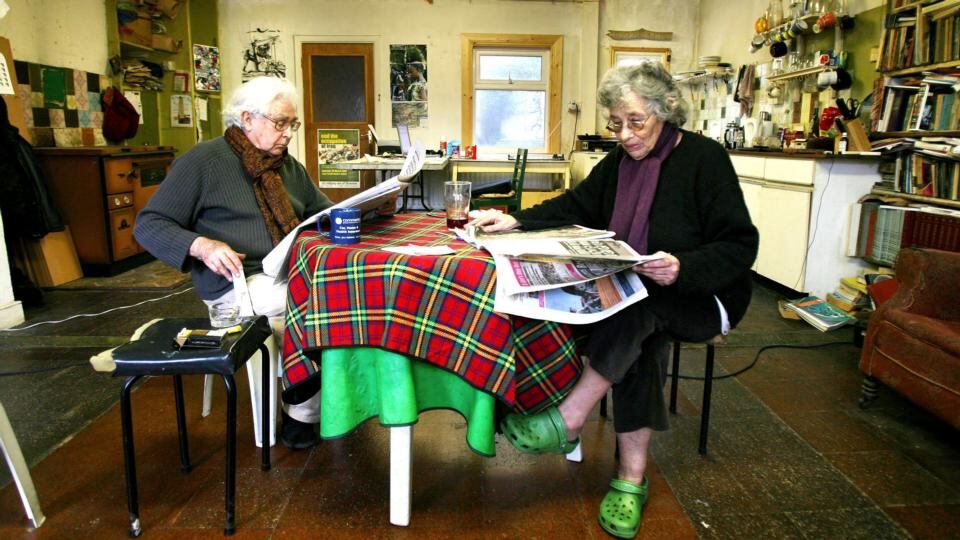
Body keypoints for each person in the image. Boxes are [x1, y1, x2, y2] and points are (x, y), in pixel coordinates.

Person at [469, 62, 758, 539]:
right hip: (641, 301)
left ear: (665, 112)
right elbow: (574, 205)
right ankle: (630, 479)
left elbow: (739, 246)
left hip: (704, 295)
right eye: (616, 123)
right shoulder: (621, 162)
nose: (624, 134)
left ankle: (569, 415)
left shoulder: (705, 160)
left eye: (635, 121)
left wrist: (683, 267)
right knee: (634, 330)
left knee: (640, 307)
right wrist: (515, 220)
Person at [135, 76, 395, 450]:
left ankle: (328, 387)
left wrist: (371, 208)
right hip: (235, 285)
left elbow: (325, 215)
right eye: (280, 123)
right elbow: (149, 225)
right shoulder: (203, 161)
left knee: (360, 285)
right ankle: (303, 410)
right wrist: (202, 245)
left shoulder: (288, 168)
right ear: (247, 119)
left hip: (287, 273)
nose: (288, 133)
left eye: (293, 124)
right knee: (330, 301)